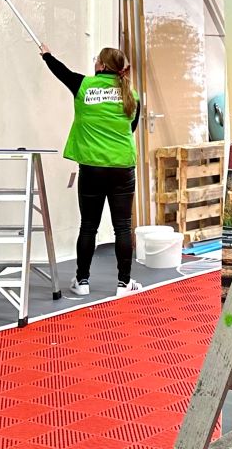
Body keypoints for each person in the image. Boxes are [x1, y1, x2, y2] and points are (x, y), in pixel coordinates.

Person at [40, 45, 143, 299]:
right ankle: (124, 284)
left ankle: (82, 281)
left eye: (97, 58)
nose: (94, 61)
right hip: (122, 168)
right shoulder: (131, 94)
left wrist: (46, 55)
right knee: (123, 227)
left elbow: (61, 72)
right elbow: (131, 129)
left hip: (92, 169)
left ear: (102, 66)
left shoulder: (83, 86)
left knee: (88, 226)